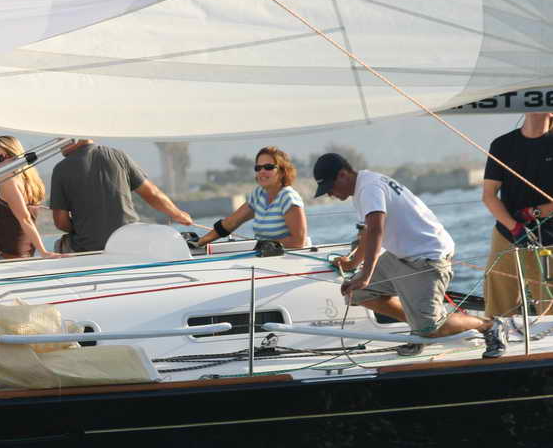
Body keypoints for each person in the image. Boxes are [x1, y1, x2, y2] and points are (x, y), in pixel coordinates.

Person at [314, 152, 507, 359]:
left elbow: (376, 230)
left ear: (343, 175)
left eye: (330, 188)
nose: (330, 195)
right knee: (358, 293)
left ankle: (489, 325)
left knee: (431, 329)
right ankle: (417, 329)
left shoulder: (369, 188)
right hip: (400, 257)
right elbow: (367, 232)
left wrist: (366, 275)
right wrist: (353, 264)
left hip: (428, 258)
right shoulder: (364, 185)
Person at [50, 139, 193, 253]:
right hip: (129, 242)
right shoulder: (119, 156)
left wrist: (84, 227)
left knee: (59, 244)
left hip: (89, 247)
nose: (58, 143)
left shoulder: (60, 169)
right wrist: (178, 215)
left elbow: (61, 223)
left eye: (60, 138)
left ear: (75, 138)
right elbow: (152, 193)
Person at [481, 112, 553, 318]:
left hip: (549, 238)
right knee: (498, 307)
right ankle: (498, 334)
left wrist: (533, 212)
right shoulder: (502, 145)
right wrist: (514, 227)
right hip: (508, 233)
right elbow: (488, 196)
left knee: (549, 307)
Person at [0, 136, 59, 262]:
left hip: (0, 255)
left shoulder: (7, 180)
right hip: (22, 254)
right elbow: (3, 218)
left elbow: (25, 218)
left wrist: (44, 252)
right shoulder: (31, 180)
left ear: (13, 156)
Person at [194, 146, 308, 249]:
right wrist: (199, 242)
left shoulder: (288, 198)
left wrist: (261, 244)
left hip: (286, 260)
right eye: (258, 168)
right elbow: (230, 223)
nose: (262, 171)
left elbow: (298, 242)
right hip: (264, 257)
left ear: (282, 172)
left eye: (268, 167)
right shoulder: (258, 195)